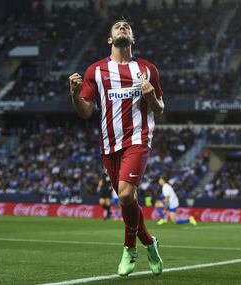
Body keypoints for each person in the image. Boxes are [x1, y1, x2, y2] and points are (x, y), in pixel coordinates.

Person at [69, 18, 164, 276]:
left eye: (127, 27)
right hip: (109, 145)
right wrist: (74, 95)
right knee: (128, 199)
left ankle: (129, 248)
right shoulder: (95, 71)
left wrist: (150, 96)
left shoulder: (147, 69)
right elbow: (86, 111)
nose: (123, 28)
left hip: (137, 140)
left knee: (124, 195)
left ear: (132, 39)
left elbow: (160, 109)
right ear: (110, 39)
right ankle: (150, 243)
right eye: (117, 27)